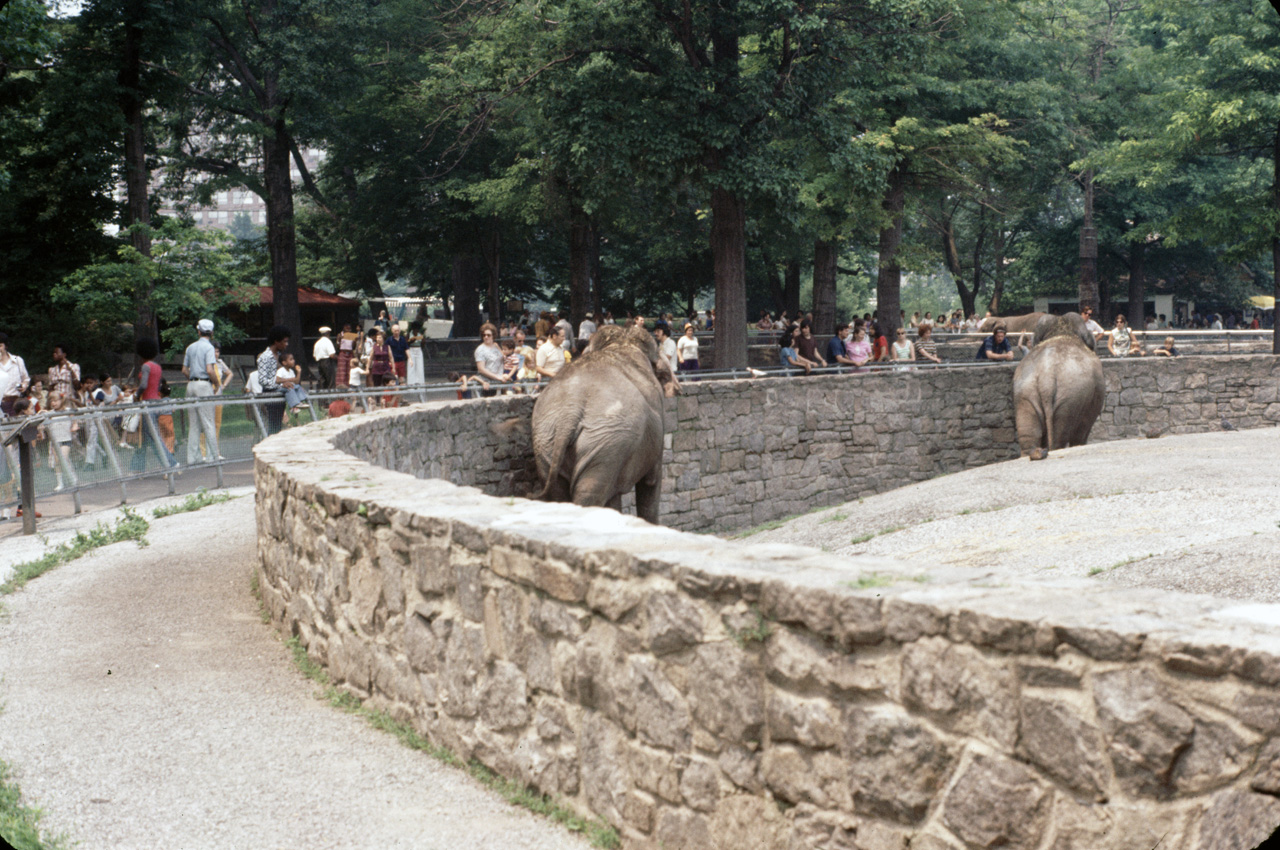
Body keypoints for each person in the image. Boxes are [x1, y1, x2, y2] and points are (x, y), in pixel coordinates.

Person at [133, 337, 177, 470]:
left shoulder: (146, 366)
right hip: (157, 402)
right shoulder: (157, 367)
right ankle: (138, 467)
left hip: (148, 402)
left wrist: (136, 394)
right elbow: (157, 385)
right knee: (149, 436)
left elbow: (144, 384)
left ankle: (171, 462)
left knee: (152, 436)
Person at [182, 318, 220, 465]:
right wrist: (216, 383)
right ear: (212, 333)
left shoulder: (190, 347)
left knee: (194, 424)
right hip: (204, 385)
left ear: (198, 331)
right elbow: (210, 370)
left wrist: (192, 378)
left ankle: (193, 458)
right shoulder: (209, 348)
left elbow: (184, 369)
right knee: (208, 422)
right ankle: (213, 457)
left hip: (191, 385)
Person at [256, 325, 293, 435]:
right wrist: (280, 384)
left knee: (278, 425)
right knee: (273, 425)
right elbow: (262, 380)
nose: (286, 344)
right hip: (270, 395)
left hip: (280, 393)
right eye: (284, 341)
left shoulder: (280, 356)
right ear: (276, 341)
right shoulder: (265, 357)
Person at [0, 332, 31, 417]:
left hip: (15, 404)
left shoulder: (17, 360)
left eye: (0, 346)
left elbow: (26, 379)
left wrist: (23, 386)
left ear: (6, 346)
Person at [473, 323, 507, 394]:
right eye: (484, 335)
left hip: (498, 382)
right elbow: (481, 369)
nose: (486, 337)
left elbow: (503, 358)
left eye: (488, 335)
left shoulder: (496, 346)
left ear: (493, 336)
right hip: (486, 382)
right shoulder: (480, 350)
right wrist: (497, 377)